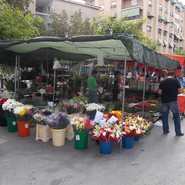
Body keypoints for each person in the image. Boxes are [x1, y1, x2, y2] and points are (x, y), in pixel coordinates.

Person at [158, 71, 184, 136]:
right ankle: (178, 131)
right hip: (173, 100)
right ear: (173, 75)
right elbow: (180, 91)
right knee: (176, 115)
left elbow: (159, 92)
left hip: (164, 100)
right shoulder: (175, 81)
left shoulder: (163, 82)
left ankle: (165, 130)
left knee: (165, 115)